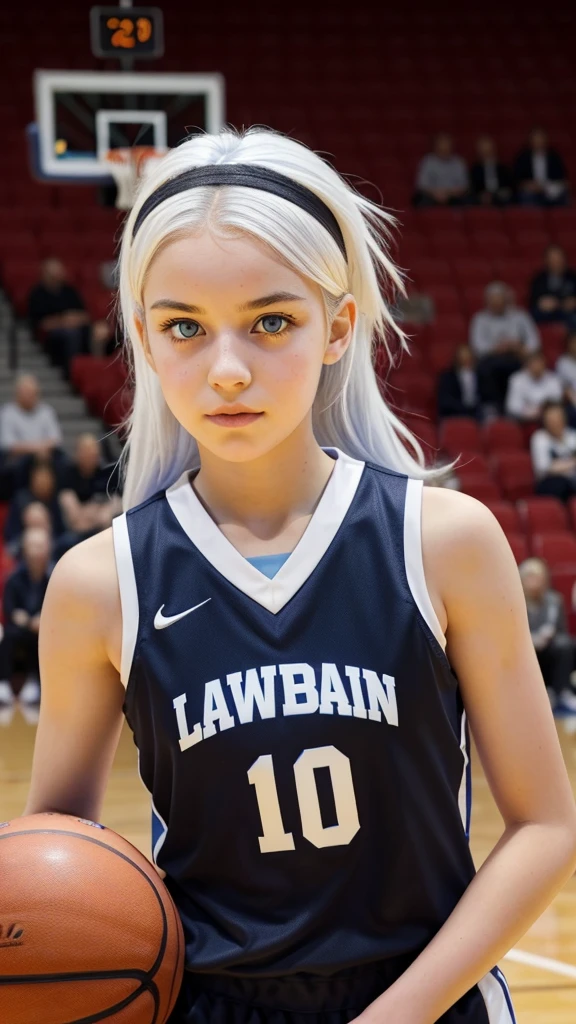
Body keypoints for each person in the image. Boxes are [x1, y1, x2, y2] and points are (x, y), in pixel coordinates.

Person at [24, 127, 576, 1024]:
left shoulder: (443, 542)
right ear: (143, 340)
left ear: (339, 327)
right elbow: (50, 869)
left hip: (426, 1007)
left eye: (270, 321)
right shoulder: (102, 585)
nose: (228, 369)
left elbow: (549, 827)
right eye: (184, 329)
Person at [0, 527, 53, 707]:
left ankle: (36, 683)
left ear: (48, 548)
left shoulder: (54, 576)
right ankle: (4, 684)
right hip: (19, 627)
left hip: (45, 627)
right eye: (32, 546)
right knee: (10, 636)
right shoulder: (15, 577)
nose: (36, 551)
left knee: (43, 639)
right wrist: (19, 617)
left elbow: (58, 605)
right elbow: (9, 607)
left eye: (40, 546)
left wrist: (43, 619)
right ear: (24, 550)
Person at [470, 282, 541, 413]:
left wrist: (520, 348)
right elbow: (478, 347)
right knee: (484, 369)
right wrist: (497, 348)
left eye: (500, 300)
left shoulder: (520, 316)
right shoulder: (480, 319)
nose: (497, 304)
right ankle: (492, 408)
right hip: (492, 360)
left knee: (526, 367)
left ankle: (517, 408)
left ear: (506, 300)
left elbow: (534, 342)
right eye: (493, 301)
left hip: (517, 358)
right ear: (487, 302)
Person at [519, 558, 576, 713]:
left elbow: (561, 632)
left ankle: (561, 692)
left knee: (565, 644)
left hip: (549, 653)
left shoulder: (554, 600)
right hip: (523, 652)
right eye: (530, 576)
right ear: (521, 578)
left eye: (538, 576)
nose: (534, 581)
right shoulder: (514, 601)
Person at [27, 258, 91, 378]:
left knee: (94, 331)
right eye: (53, 274)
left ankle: (89, 370)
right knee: (71, 335)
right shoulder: (37, 294)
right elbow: (41, 324)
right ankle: (71, 372)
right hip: (54, 335)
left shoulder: (70, 291)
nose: (57, 276)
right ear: (45, 274)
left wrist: (74, 319)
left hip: (76, 328)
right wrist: (64, 321)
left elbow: (85, 316)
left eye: (59, 272)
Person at [0, 373, 64, 491]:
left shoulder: (47, 411)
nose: (31, 396)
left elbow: (55, 440)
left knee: (62, 460)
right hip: (19, 459)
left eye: (33, 393)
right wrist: (37, 450)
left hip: (45, 456)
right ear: (17, 394)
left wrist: (39, 450)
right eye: (27, 393)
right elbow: (8, 445)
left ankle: (58, 497)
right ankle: (20, 497)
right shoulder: (7, 413)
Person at [4, 460, 66, 554]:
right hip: (23, 545)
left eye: (46, 478)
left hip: (51, 545)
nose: (43, 482)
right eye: (39, 478)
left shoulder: (56, 500)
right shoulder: (21, 499)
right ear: (32, 479)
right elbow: (11, 532)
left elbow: (60, 530)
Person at [530, 401, 576, 501]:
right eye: (551, 420)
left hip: (572, 481)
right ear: (545, 421)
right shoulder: (539, 438)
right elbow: (545, 468)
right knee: (560, 484)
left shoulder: (572, 435)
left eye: (558, 418)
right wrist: (572, 462)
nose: (555, 423)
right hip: (550, 484)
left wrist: (561, 465)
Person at [513, 129, 569, 207]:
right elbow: (517, 180)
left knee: (563, 195)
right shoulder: (523, 158)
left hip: (550, 191)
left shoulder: (554, 157)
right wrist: (530, 185)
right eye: (536, 139)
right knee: (526, 196)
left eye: (541, 138)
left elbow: (563, 179)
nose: (539, 142)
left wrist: (550, 186)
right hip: (531, 191)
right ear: (530, 141)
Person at [505, 350, 563, 424]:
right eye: (533, 363)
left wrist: (541, 411)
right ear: (527, 365)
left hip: (547, 420)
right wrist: (532, 412)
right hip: (522, 422)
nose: (536, 366)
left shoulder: (553, 380)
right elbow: (512, 407)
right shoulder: (517, 379)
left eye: (539, 363)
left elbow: (557, 402)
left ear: (544, 364)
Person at [413, 133, 470, 207]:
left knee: (467, 200)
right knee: (420, 200)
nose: (444, 148)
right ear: (436, 147)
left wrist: (448, 193)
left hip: (453, 196)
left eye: (447, 145)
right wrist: (435, 193)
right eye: (442, 146)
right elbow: (422, 184)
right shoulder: (428, 161)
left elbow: (464, 186)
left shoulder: (458, 162)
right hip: (432, 196)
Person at [529, 245, 576, 327]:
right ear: (546, 261)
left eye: (558, 258)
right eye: (552, 259)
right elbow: (532, 300)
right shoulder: (539, 279)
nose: (556, 262)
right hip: (546, 313)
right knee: (532, 316)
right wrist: (541, 303)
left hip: (569, 312)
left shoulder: (573, 277)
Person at [437, 345, 482, 419]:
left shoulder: (481, 375)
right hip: (455, 413)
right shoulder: (448, 377)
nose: (466, 361)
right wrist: (465, 409)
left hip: (476, 414)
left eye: (469, 359)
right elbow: (445, 401)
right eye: (463, 359)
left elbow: (485, 396)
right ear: (457, 360)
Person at [470, 136, 513, 207]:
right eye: (484, 151)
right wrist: (482, 194)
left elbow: (510, 185)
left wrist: (505, 191)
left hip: (500, 194)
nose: (487, 153)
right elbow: (474, 187)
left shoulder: (502, 168)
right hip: (483, 196)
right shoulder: (476, 169)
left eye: (489, 151)